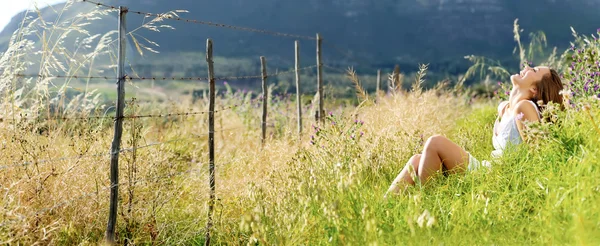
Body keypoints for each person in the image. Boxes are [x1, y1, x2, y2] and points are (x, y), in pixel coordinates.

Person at [385, 65, 564, 197]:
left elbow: (539, 154)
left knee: (435, 142)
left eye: (532, 70)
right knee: (416, 160)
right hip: (487, 167)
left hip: (494, 176)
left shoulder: (524, 108)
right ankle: (385, 210)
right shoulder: (505, 108)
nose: (526, 67)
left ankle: (424, 207)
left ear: (534, 89)